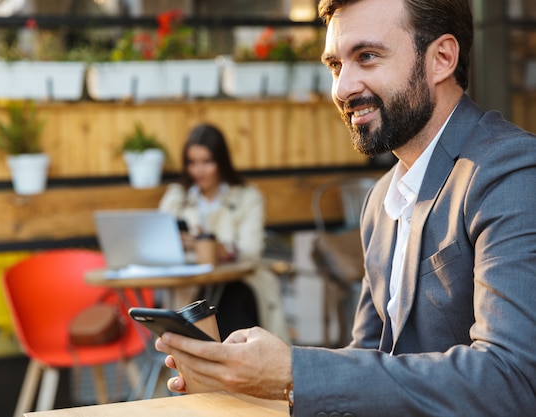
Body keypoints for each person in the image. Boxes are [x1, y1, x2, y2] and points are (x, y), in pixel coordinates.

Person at [154, 0, 536, 416]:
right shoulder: (380, 201)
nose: (341, 88)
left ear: (442, 58)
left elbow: (511, 379)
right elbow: (369, 359)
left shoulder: (511, 172)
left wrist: (294, 373)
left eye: (367, 57)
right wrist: (249, 384)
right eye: (336, 65)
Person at [158, 123, 289, 342]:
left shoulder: (248, 196)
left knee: (230, 300)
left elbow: (251, 251)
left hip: (240, 283)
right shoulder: (176, 197)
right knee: (188, 308)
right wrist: (179, 243)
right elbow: (157, 242)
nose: (198, 171)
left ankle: (237, 367)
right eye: (192, 163)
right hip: (187, 288)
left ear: (221, 161)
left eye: (207, 162)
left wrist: (216, 248)